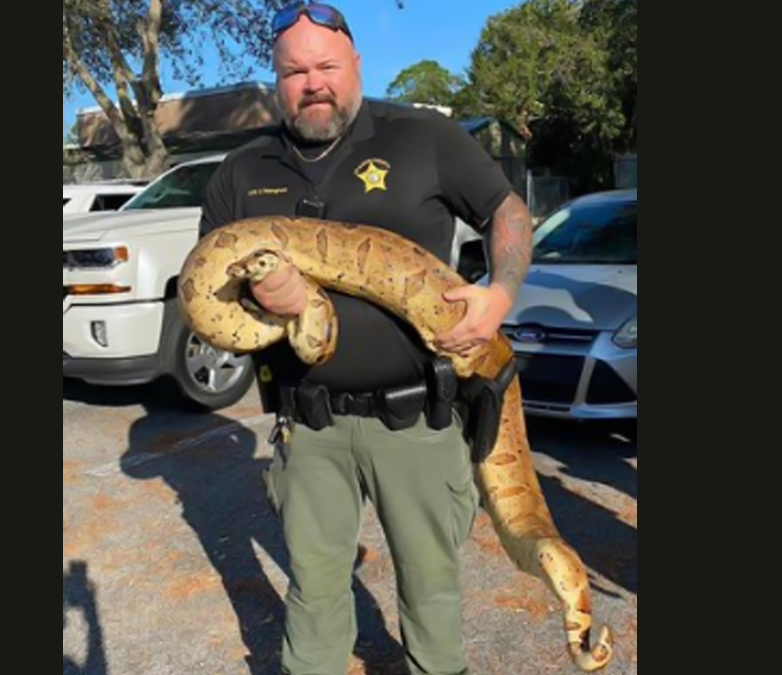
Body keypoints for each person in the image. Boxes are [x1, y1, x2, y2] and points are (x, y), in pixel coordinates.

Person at [198, 4, 534, 674]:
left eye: (326, 65)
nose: (312, 82)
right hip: (309, 425)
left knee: (433, 598)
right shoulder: (240, 172)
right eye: (295, 71)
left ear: (355, 65)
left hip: (418, 419)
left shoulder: (423, 138)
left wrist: (499, 295)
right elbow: (210, 305)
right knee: (315, 601)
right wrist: (276, 304)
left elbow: (508, 211)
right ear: (276, 79)